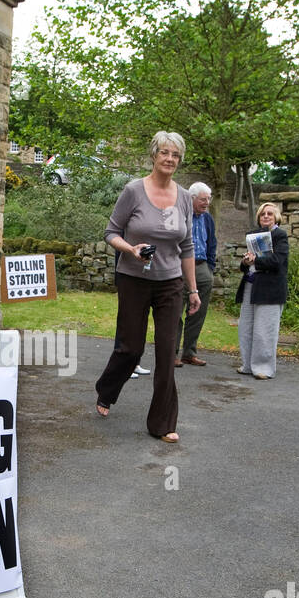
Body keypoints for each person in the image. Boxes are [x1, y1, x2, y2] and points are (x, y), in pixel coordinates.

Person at [95, 131, 200, 442]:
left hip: (170, 283)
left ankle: (163, 424)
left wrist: (192, 290)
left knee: (168, 350)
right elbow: (111, 232)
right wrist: (130, 249)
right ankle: (107, 390)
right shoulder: (133, 191)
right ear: (154, 155)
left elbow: (188, 246)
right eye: (165, 153)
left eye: (175, 155)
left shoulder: (184, 197)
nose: (170, 159)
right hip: (133, 279)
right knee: (131, 347)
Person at [236, 201, 289, 379]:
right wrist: (245, 261)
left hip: (270, 289)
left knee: (264, 330)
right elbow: (247, 264)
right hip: (251, 285)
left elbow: (277, 262)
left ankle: (263, 368)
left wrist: (255, 261)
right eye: (262, 214)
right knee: (246, 327)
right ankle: (248, 365)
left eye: (270, 214)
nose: (265, 216)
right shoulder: (252, 235)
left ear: (276, 218)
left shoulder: (280, 236)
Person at [176, 182, 217, 367]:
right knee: (175, 312)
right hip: (180, 267)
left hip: (202, 268)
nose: (207, 202)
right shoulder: (180, 215)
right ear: (192, 199)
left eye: (209, 198)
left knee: (198, 313)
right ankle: (171, 354)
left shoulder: (208, 218)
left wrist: (210, 267)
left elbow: (212, 243)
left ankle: (189, 353)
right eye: (203, 199)